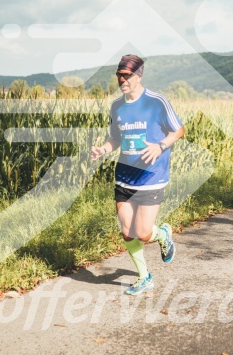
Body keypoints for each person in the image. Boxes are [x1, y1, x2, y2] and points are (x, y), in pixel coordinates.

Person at [90, 54, 185, 295]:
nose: (122, 80)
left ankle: (162, 233)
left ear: (139, 75)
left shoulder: (156, 102)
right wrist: (103, 149)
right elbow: (116, 138)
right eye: (119, 75)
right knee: (126, 232)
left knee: (142, 233)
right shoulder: (117, 106)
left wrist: (161, 146)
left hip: (152, 176)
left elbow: (179, 129)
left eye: (127, 75)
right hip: (124, 176)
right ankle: (145, 277)